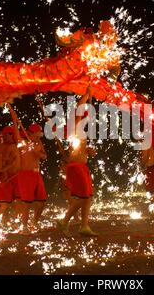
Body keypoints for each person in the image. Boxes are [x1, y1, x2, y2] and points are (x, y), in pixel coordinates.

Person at [58, 84, 98, 237]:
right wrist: (87, 94)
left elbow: (78, 149)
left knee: (88, 197)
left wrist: (88, 151)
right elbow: (79, 106)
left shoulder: (81, 132)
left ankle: (84, 226)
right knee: (84, 197)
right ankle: (64, 221)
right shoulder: (75, 125)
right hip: (75, 167)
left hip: (82, 166)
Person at [13, 120, 48, 235]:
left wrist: (38, 154)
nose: (38, 137)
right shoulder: (22, 143)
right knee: (26, 203)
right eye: (37, 134)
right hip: (25, 174)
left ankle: (34, 223)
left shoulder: (38, 144)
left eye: (39, 135)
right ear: (31, 133)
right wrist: (14, 118)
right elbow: (16, 130)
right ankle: (24, 227)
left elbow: (44, 156)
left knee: (42, 202)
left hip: (36, 174)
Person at [0, 125, 21, 226]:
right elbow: (2, 163)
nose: (7, 137)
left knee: (17, 201)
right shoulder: (3, 147)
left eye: (10, 134)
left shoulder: (15, 145)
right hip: (6, 177)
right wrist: (3, 173)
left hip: (16, 176)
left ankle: (14, 222)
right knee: (5, 203)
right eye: (5, 135)